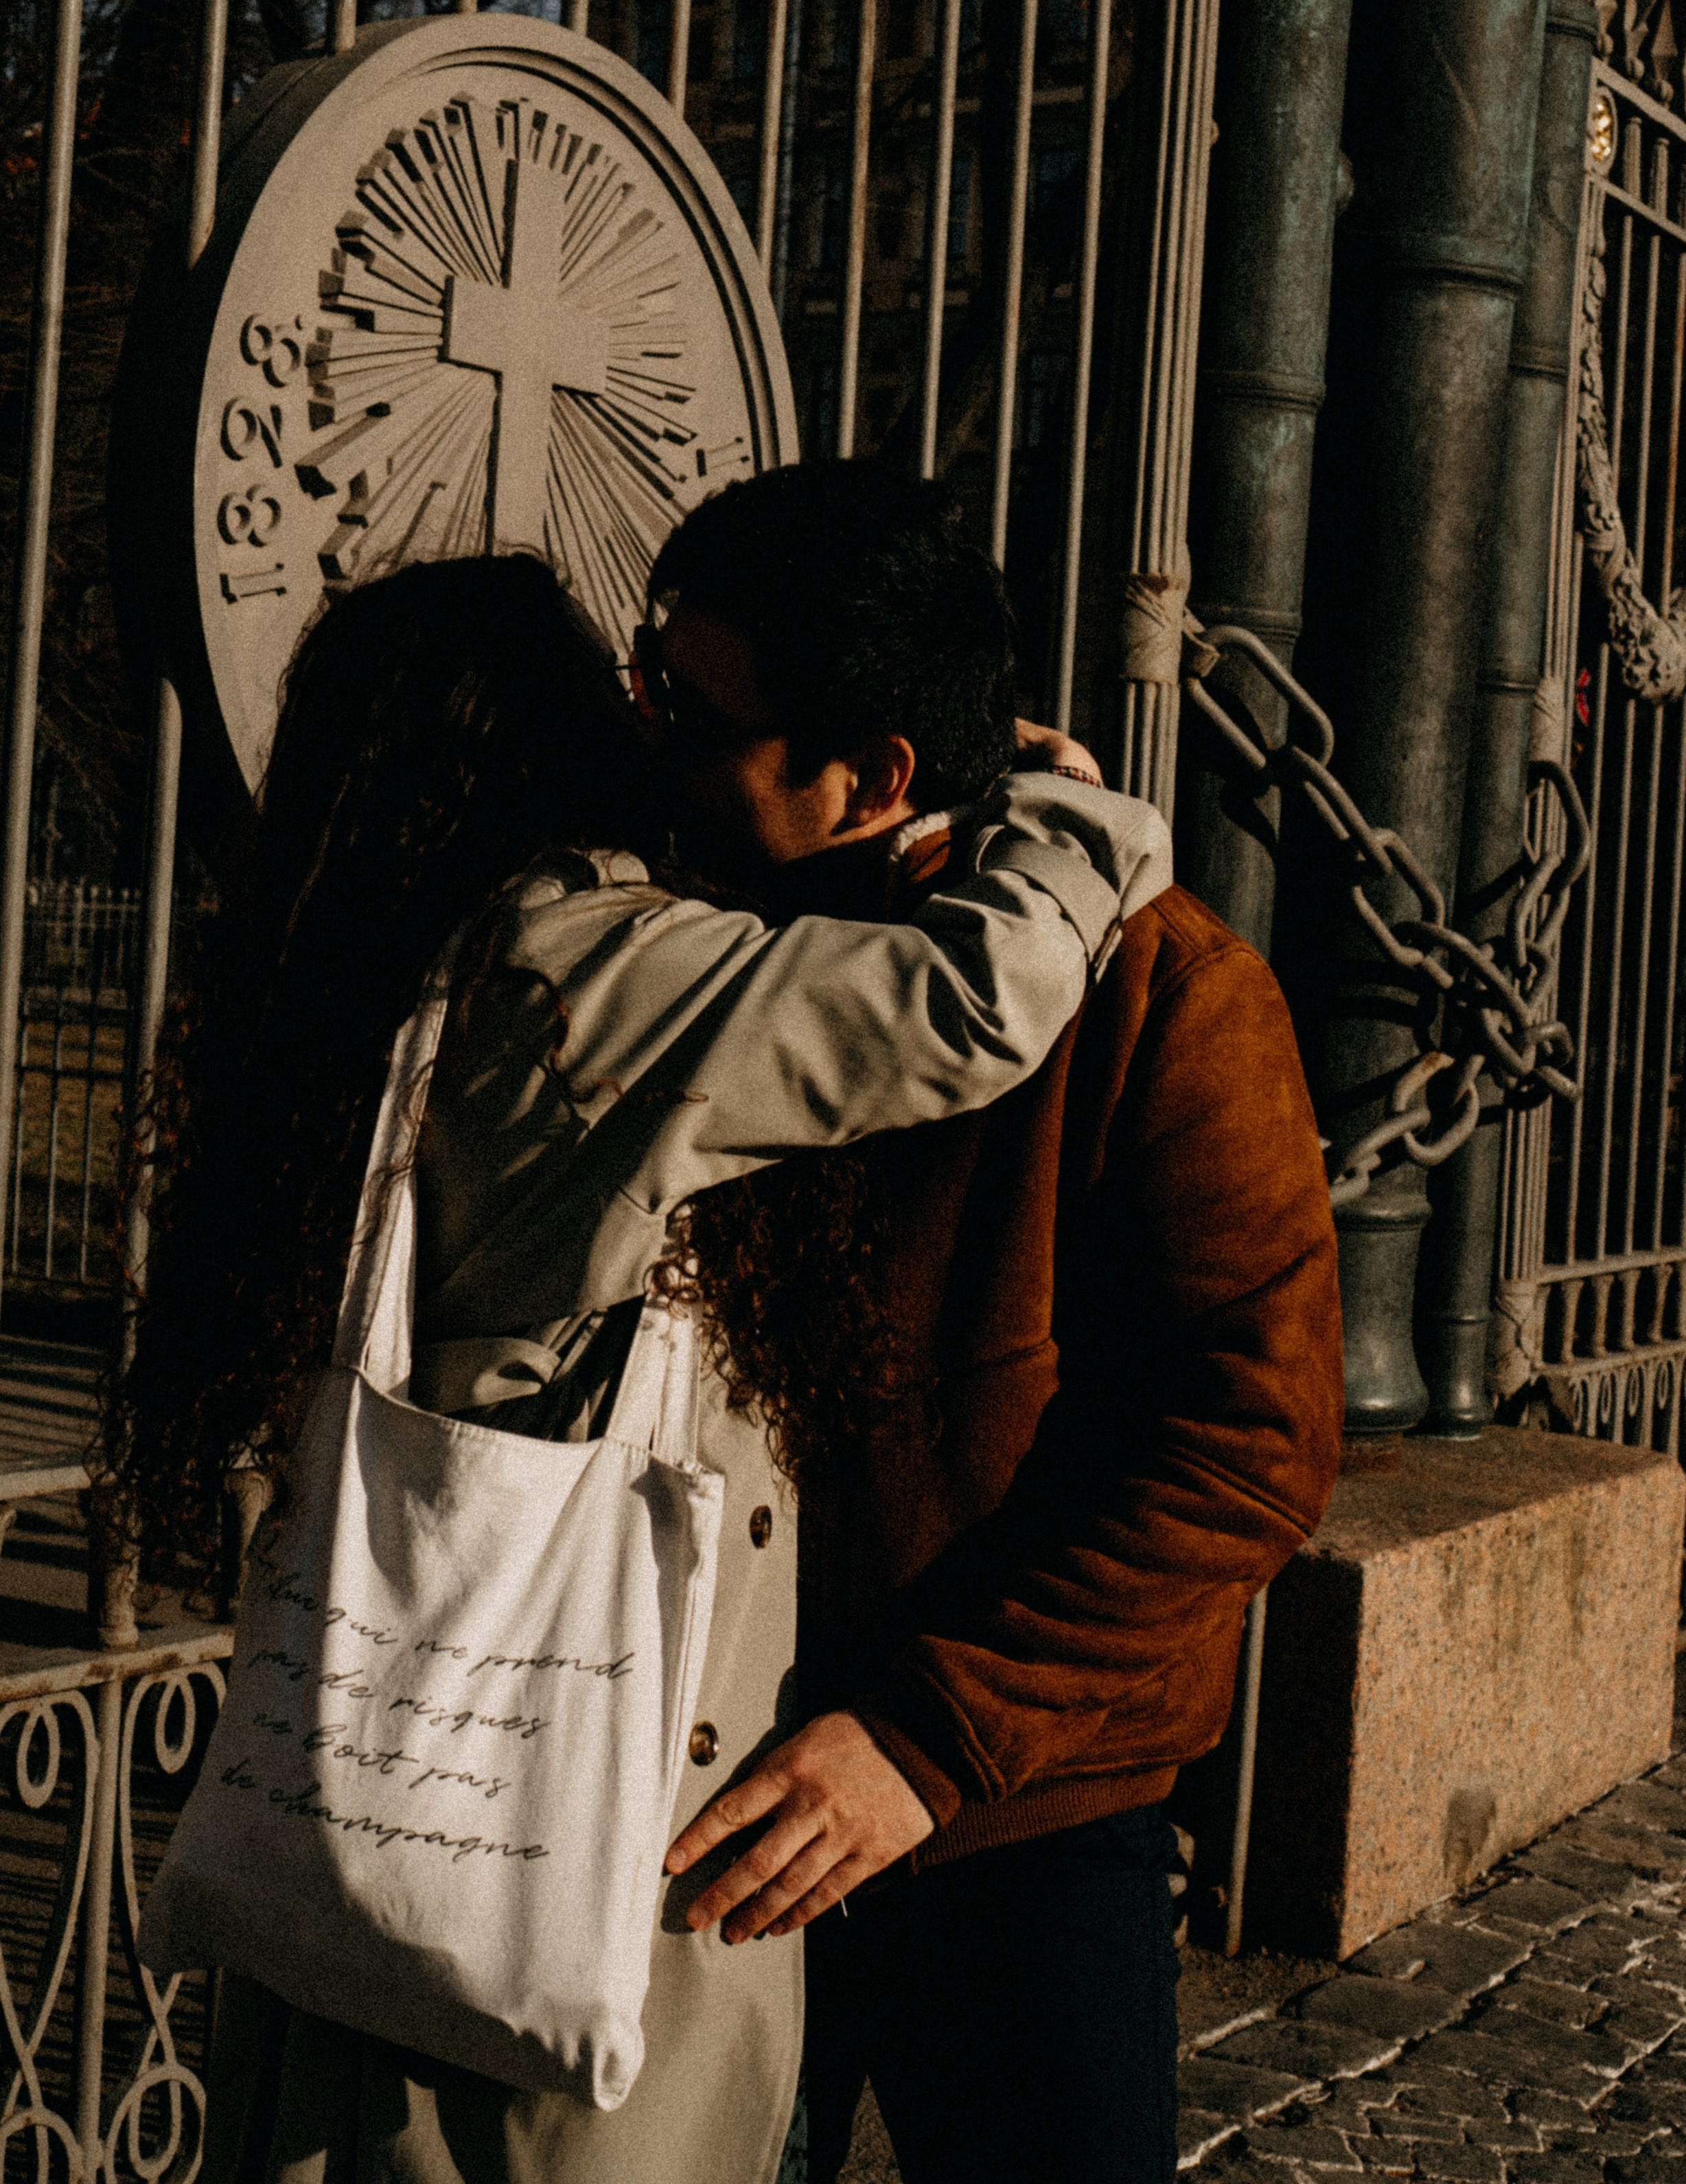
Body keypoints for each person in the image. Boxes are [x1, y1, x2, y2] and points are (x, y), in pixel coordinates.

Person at [115, 548, 1169, 2184]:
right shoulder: (573, 965)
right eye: (637, 701)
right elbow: (975, 996)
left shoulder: (371, 978)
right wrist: (1067, 803)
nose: (651, 729)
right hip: (549, 1849)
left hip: (373, 1829)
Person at [637, 463, 1345, 2184]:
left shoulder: (1167, 993)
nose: (647, 734)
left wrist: (924, 1738)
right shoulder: (664, 950)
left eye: (696, 709)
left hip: (1018, 1819)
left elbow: (1250, 1446)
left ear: (870, 776)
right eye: (649, 676)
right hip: (684, 1784)